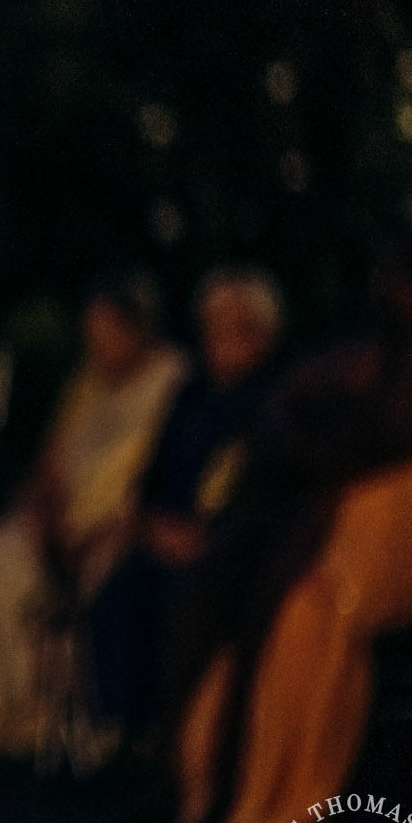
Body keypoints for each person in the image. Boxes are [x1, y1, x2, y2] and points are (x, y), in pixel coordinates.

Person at [173, 195, 412, 823]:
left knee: (317, 606)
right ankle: (235, 786)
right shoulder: (357, 360)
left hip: (404, 536)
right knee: (261, 597)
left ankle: (298, 799)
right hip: (330, 525)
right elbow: (294, 414)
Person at [0, 269, 187, 768]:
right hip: (59, 525)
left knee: (96, 583)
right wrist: (44, 515)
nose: (98, 345)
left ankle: (72, 724)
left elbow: (159, 473)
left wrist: (103, 530)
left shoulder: (170, 382)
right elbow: (53, 456)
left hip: (115, 529)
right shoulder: (91, 378)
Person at [87, 265, 285, 747]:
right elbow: (155, 472)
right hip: (164, 536)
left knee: (180, 600)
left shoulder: (275, 399)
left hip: (227, 548)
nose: (219, 339)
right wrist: (146, 522)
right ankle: (124, 731)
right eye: (211, 326)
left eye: (232, 327)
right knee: (119, 588)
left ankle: (179, 736)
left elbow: (262, 493)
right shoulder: (192, 392)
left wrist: (205, 539)